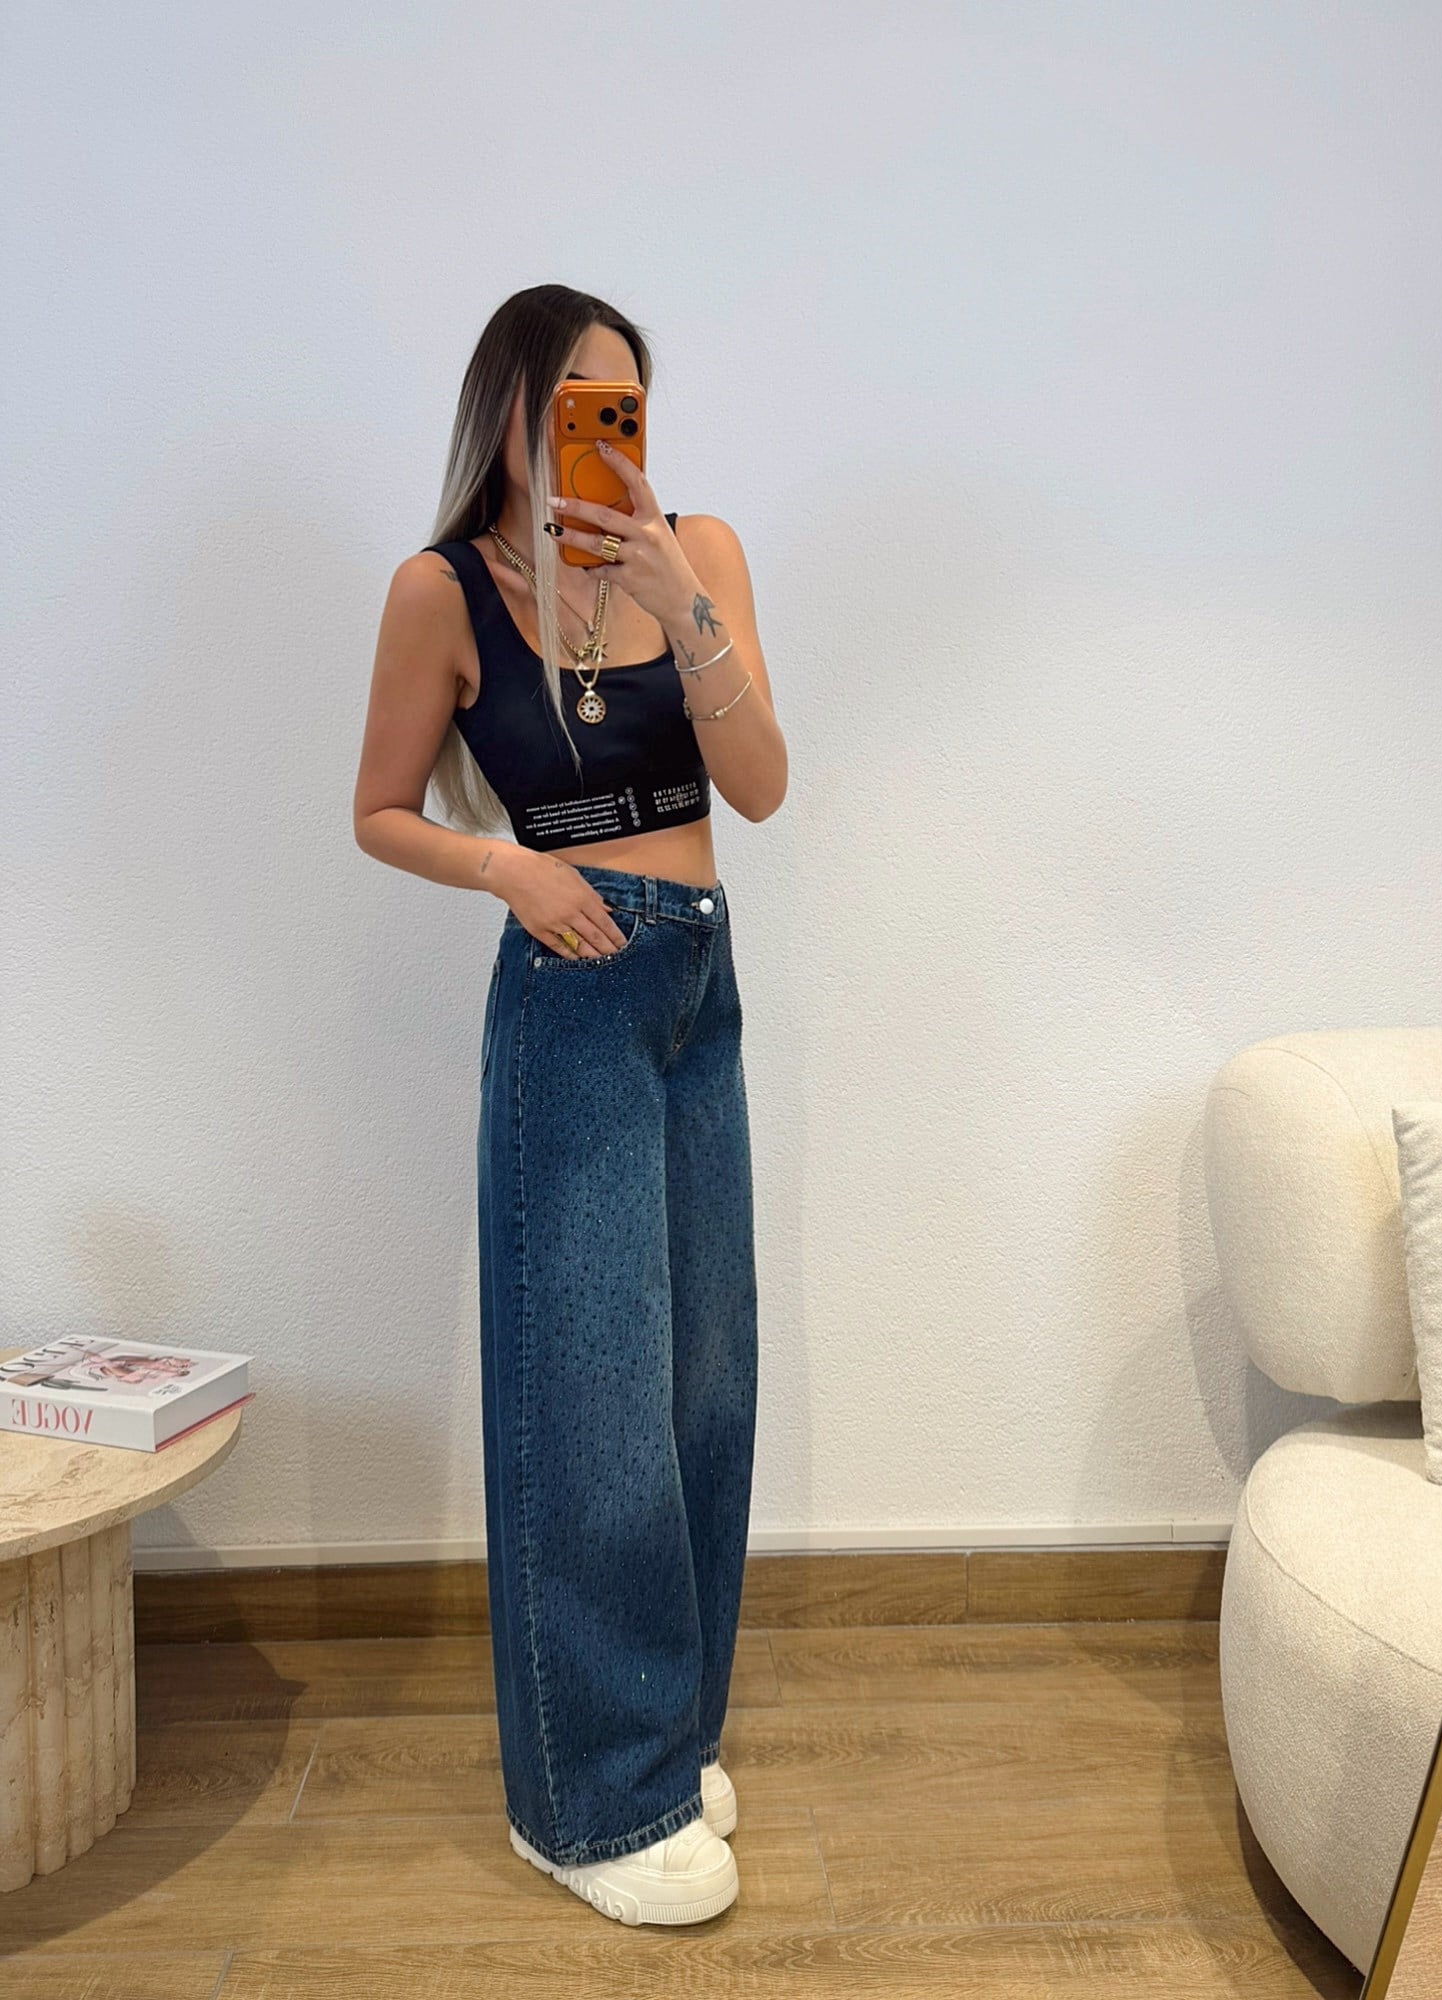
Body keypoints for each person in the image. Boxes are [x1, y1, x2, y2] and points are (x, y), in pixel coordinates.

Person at [352, 284, 788, 1926]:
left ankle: (661, 1744)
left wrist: (680, 600)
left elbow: (760, 788)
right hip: (572, 988)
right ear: (511, 413)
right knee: (589, 1400)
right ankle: (587, 1809)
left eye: (628, 408)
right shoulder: (442, 589)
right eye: (574, 409)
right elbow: (380, 807)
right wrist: (507, 870)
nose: (606, 437)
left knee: (700, 1392)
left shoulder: (700, 551)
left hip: (695, 980)